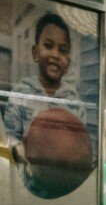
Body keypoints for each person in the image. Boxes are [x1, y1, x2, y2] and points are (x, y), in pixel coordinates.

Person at [4, 12, 81, 145]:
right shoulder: (21, 92)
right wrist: (20, 148)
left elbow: (79, 145)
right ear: (35, 53)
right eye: (48, 46)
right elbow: (9, 139)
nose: (55, 55)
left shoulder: (74, 103)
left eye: (62, 50)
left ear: (68, 61)